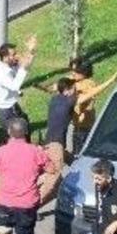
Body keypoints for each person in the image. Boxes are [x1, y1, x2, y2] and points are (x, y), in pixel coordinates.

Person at [38, 77, 77, 205]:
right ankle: (33, 205)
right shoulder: (69, 102)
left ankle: (80, 170)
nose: (75, 91)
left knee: (73, 162)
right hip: (56, 145)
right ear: (67, 90)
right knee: (53, 176)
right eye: (73, 89)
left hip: (48, 141)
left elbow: (58, 89)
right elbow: (88, 95)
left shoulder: (54, 99)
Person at [69, 59, 117, 154]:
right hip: (77, 126)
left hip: (83, 128)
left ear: (84, 72)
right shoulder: (76, 83)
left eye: (76, 71)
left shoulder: (88, 84)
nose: (72, 73)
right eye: (71, 70)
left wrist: (111, 80)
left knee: (78, 153)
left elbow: (89, 92)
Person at [0, 35, 38, 129]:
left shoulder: (10, 64)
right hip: (5, 111)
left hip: (13, 106)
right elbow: (15, 86)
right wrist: (22, 68)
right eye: (14, 54)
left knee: (25, 126)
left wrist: (31, 50)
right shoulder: (0, 72)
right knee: (16, 135)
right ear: (5, 57)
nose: (16, 56)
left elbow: (26, 63)